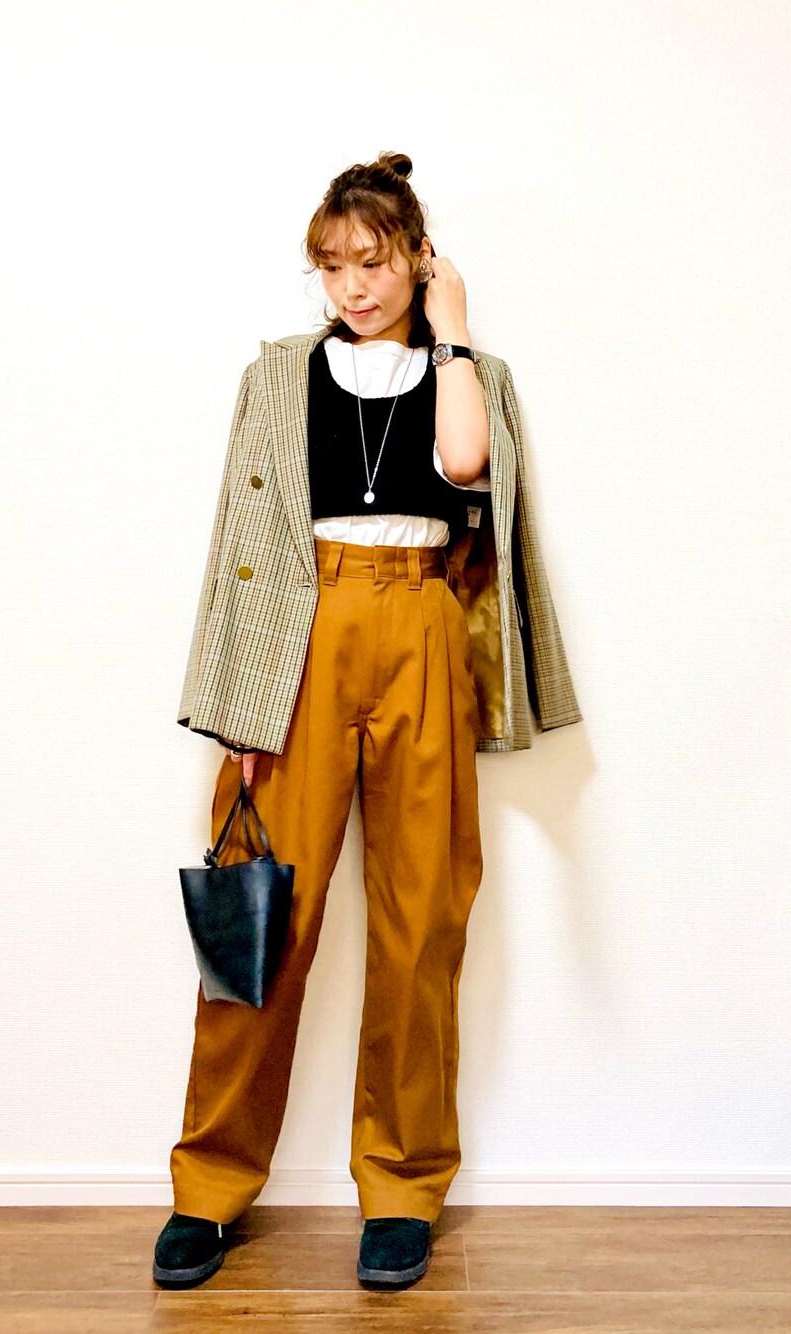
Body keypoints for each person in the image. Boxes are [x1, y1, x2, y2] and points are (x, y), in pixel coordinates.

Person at [153, 151, 582, 1292]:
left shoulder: (468, 372)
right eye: (333, 265)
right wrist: (240, 704)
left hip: (423, 625)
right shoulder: (277, 376)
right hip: (303, 634)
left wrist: (452, 330)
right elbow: (238, 543)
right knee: (261, 918)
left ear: (418, 259)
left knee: (420, 919)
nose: (352, 285)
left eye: (376, 262)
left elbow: (464, 464)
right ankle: (209, 1184)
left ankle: (400, 1186)